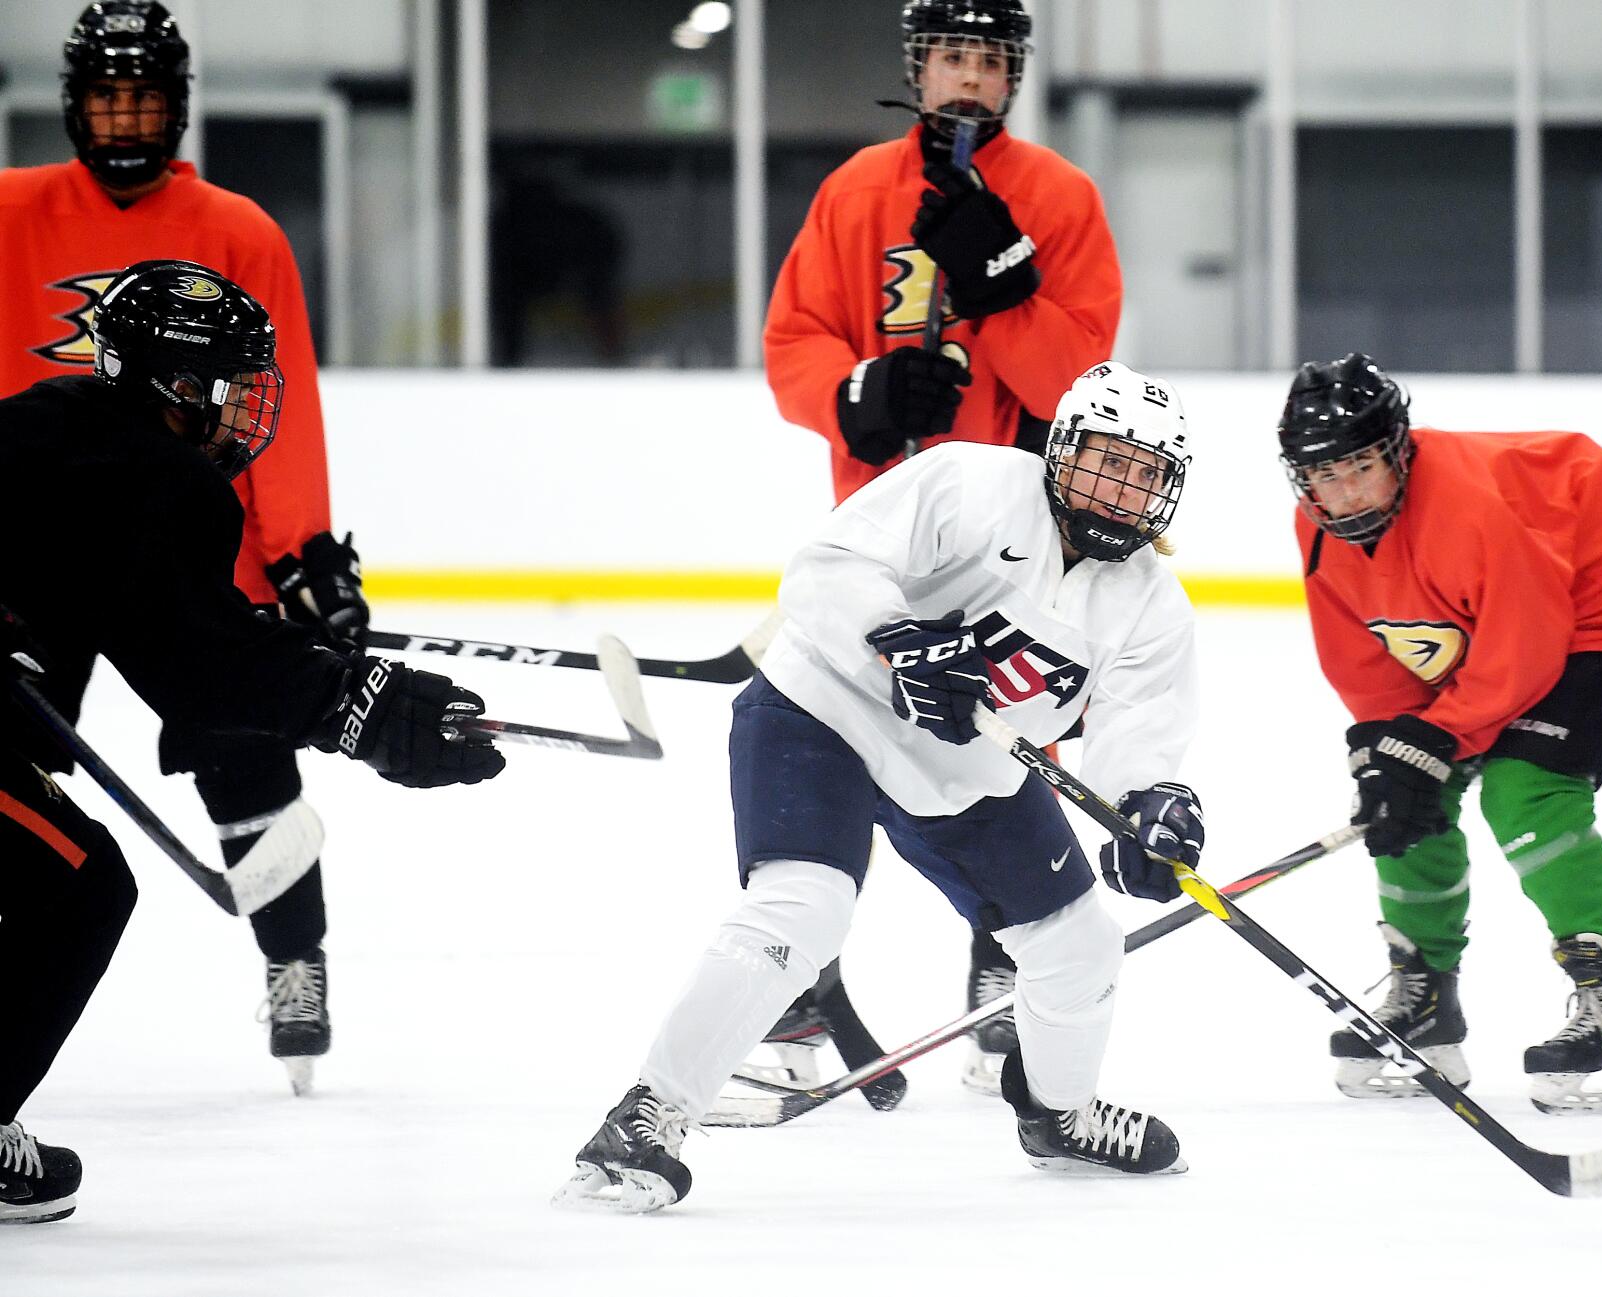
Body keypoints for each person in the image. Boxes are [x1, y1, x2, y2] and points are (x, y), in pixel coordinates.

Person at [556, 362, 1199, 1211]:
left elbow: (1137, 730)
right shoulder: (970, 480)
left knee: (1081, 944)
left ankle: (1060, 1116)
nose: (1122, 490)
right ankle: (647, 1115)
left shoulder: (1151, 606)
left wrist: (1148, 806)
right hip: (825, 706)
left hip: (967, 767)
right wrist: (896, 639)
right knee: (803, 907)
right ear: (1064, 449)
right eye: (1107, 461)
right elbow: (827, 565)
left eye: (1145, 475)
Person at [0, 260, 504, 1223]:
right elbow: (202, 665)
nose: (245, 411)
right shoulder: (157, 476)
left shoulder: (46, 420)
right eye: (232, 384)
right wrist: (362, 702)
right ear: (176, 385)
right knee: (78, 885)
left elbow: (178, 631)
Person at [0, 1, 364, 1093]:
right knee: (15, 764)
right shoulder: (9, 213)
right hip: (32, 549)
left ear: (180, 106)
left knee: (242, 735)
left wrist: (298, 549)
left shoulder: (237, 229)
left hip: (172, 532)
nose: (124, 120)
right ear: (73, 103)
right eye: (107, 97)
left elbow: (276, 398)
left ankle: (294, 957)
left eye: (144, 98)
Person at [762, 0, 1123, 1094]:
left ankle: (1003, 963)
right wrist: (854, 393)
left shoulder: (1059, 199)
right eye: (951, 57)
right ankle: (795, 969)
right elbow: (793, 342)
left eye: (988, 60)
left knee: (997, 749)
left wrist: (1005, 291)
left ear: (1012, 75)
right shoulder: (855, 191)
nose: (968, 79)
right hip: (872, 532)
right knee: (828, 738)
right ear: (918, 68)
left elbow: (1079, 388)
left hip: (1001, 543)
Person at [1278, 355, 1602, 1114]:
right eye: (1323, 476)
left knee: (1523, 789)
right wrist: (1387, 751)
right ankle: (1424, 992)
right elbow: (1367, 655)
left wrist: (1434, 737)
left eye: (1361, 467)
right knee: (1405, 793)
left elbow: (1525, 649)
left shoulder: (1471, 504)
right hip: (1497, 617)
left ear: (1398, 449)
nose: (1343, 494)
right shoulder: (1319, 525)